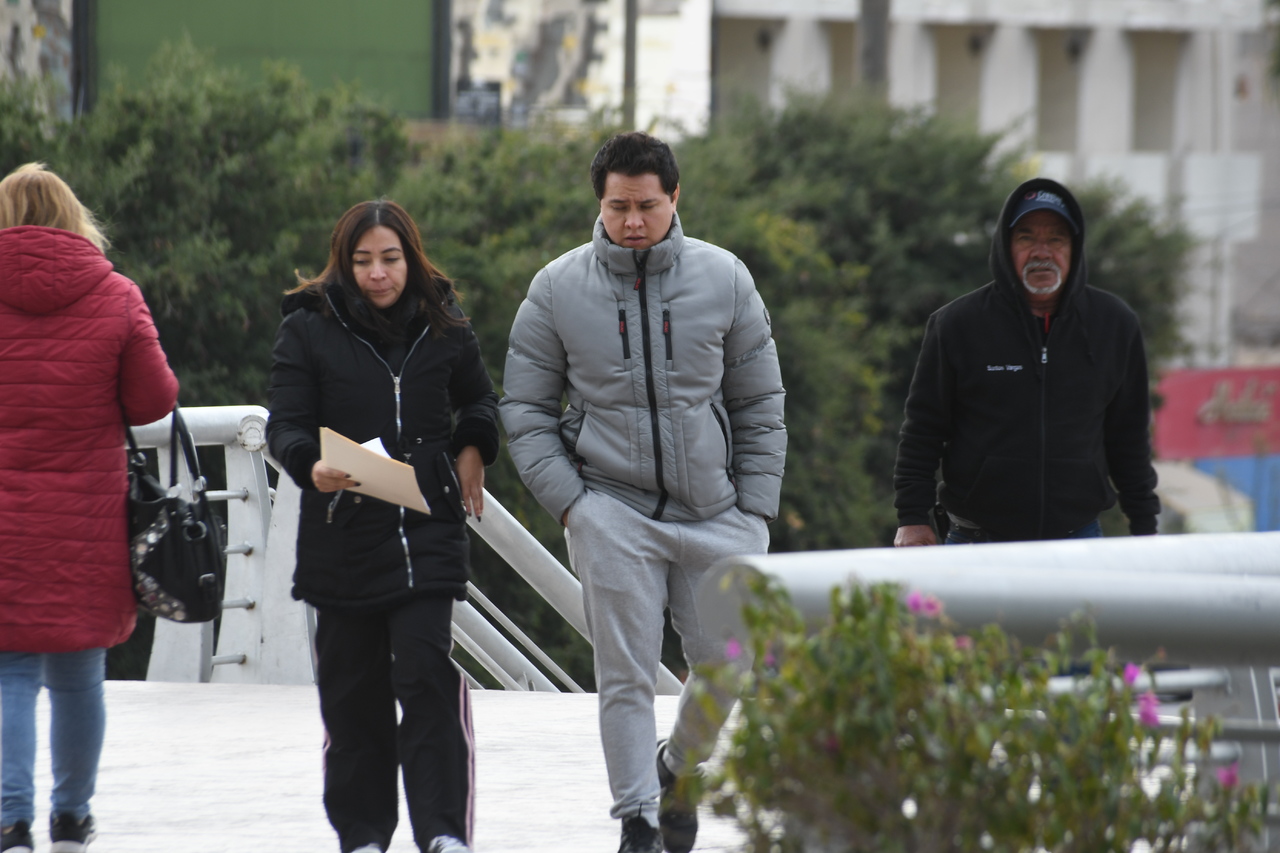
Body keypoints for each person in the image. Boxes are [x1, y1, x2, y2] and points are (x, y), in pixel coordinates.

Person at [501, 131, 786, 853]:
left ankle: (677, 769)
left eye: (647, 206)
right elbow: (525, 410)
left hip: (718, 514)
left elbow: (760, 401)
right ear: (599, 203)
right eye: (618, 206)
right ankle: (637, 819)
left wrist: (755, 510)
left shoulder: (726, 278)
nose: (633, 221)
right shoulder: (556, 288)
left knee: (728, 665)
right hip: (610, 509)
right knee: (624, 674)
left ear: (675, 198)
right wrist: (574, 504)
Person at [266, 200, 497, 853]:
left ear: (410, 258)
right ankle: (364, 835)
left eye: (390, 258)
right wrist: (310, 465)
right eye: (363, 260)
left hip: (427, 528)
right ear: (343, 263)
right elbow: (285, 424)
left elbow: (479, 398)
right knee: (353, 692)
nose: (378, 273)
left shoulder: (444, 322)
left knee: (425, 676)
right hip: (342, 533)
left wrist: (474, 447)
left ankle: (444, 832)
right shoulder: (307, 328)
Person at [0, 163, 179, 853]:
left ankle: (11, 821)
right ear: (72, 216)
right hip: (87, 519)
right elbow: (154, 400)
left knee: (10, 670)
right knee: (79, 675)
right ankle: (71, 817)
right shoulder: (115, 294)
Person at [893, 178, 1159, 546]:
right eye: (1026, 238)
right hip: (976, 541)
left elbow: (1128, 438)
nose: (1041, 252)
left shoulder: (1115, 324)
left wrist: (1145, 531)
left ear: (1074, 248)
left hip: (1079, 541)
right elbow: (923, 430)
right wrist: (912, 517)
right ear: (1006, 247)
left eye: (1056, 239)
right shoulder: (956, 325)